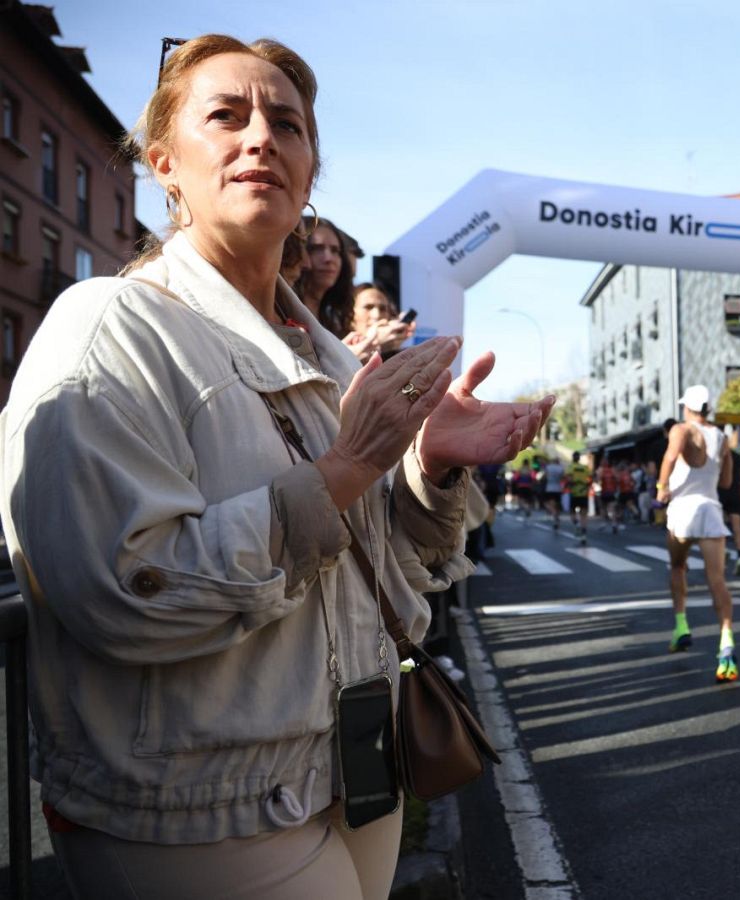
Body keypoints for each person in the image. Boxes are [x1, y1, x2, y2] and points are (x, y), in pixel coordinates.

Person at [0, 34, 553, 899]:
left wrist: (430, 468)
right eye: (225, 116)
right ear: (163, 166)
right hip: (196, 809)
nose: (261, 138)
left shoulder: (334, 358)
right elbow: (124, 588)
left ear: (309, 170)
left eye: (287, 125)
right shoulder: (109, 327)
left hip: (356, 770)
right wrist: (349, 462)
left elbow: (394, 564)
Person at [656, 385, 737, 681]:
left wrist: (661, 488)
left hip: (682, 510)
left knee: (678, 566)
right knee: (717, 580)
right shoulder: (722, 437)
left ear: (687, 407)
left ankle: (681, 626)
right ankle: (726, 643)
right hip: (710, 509)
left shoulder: (680, 429)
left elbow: (669, 457)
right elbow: (726, 482)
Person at [294, 215, 354, 337]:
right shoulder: (281, 314)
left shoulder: (335, 322)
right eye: (316, 248)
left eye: (335, 250)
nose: (328, 259)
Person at [343, 282, 411, 363]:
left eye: (383, 309)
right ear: (350, 314)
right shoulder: (335, 349)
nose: (376, 315)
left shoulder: (402, 359)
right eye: (368, 307)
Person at [718, 434, 740, 575]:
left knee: (719, 528)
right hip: (735, 494)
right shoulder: (737, 457)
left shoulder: (715, 456)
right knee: (737, 529)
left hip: (719, 493)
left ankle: (723, 552)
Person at [565, 451, 593, 543]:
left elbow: (569, 480)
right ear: (579, 458)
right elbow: (590, 479)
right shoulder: (585, 468)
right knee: (583, 515)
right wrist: (586, 485)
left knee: (572, 512)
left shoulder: (570, 467)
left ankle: (576, 524)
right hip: (584, 493)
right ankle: (584, 534)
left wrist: (569, 485)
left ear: (573, 458)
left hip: (574, 493)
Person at [542, 455, 566, 530]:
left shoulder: (548, 467)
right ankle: (557, 518)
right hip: (558, 489)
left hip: (550, 488)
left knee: (549, 504)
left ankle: (555, 518)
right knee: (557, 506)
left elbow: (544, 477)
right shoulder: (560, 468)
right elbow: (563, 477)